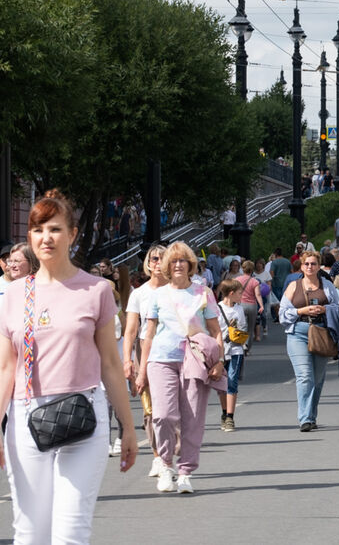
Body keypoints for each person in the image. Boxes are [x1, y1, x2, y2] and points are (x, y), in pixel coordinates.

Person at [0, 191, 138, 541]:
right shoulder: (15, 295)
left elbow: (110, 363)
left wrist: (129, 427)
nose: (46, 237)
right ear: (30, 236)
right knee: (30, 531)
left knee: (70, 530)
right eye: (38, 229)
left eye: (56, 229)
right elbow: (5, 367)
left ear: (73, 234)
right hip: (26, 415)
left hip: (85, 416)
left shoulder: (96, 290)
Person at [137, 241, 223, 494]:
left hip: (195, 361)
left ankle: (185, 471)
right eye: (172, 261)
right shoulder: (157, 295)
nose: (177, 265)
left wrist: (218, 360)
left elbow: (216, 331)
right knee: (162, 415)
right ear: (164, 266)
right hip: (161, 359)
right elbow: (148, 335)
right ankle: (165, 464)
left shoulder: (203, 293)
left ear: (190, 265)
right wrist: (142, 369)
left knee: (192, 419)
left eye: (182, 260)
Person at [279, 250, 339, 432]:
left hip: (321, 333)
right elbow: (282, 314)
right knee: (305, 376)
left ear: (318, 266)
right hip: (298, 334)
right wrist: (302, 311)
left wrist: (325, 310)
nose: (310, 267)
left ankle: (311, 415)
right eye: (306, 264)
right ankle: (305, 419)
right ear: (301, 266)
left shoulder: (326, 285)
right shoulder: (293, 286)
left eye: (313, 264)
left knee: (317, 379)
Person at [123, 244, 169, 477]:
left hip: (173, 352)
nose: (157, 263)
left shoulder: (178, 289)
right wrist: (127, 360)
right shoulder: (139, 293)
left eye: (162, 258)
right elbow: (131, 330)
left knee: (170, 409)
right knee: (150, 408)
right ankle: (158, 456)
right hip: (145, 352)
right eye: (153, 259)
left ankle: (171, 453)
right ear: (147, 263)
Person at [216, 279, 248, 432]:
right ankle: (224, 412)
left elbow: (243, 327)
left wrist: (238, 331)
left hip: (236, 350)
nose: (242, 296)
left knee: (232, 381)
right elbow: (214, 330)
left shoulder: (239, 309)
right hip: (221, 350)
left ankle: (230, 416)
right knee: (223, 384)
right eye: (240, 293)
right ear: (231, 293)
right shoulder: (217, 309)